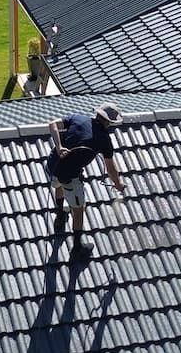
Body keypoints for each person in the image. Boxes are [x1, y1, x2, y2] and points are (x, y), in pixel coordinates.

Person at [46, 103, 126, 256]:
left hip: (52, 166)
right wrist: (118, 184)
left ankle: (60, 215)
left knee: (58, 186)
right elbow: (110, 168)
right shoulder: (104, 140)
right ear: (109, 122)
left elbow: (52, 124)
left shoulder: (78, 118)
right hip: (69, 176)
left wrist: (59, 147)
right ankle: (77, 247)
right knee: (78, 209)